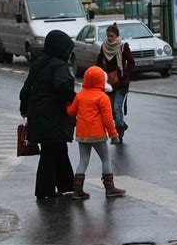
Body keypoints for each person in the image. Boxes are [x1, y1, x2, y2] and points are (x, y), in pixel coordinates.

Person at [19, 30, 77, 200]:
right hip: (53, 118)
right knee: (50, 153)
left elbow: (25, 90)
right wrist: (75, 100)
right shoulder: (59, 65)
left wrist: (25, 109)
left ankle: (67, 185)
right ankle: (45, 191)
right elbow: (61, 86)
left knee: (58, 149)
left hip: (38, 117)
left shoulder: (38, 64)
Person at [67, 66, 126, 199]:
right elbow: (107, 119)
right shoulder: (102, 97)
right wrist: (113, 134)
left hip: (82, 134)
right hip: (97, 134)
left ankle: (77, 190)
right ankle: (110, 188)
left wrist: (66, 103)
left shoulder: (80, 95)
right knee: (105, 159)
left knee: (83, 160)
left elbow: (71, 112)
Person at [96, 23, 135, 144]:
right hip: (109, 84)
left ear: (117, 36)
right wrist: (101, 75)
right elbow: (98, 63)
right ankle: (121, 125)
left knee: (117, 108)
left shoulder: (123, 47)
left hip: (122, 83)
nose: (109, 38)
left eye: (111, 36)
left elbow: (132, 62)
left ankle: (119, 132)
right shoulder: (104, 47)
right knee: (111, 110)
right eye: (107, 36)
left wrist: (125, 74)